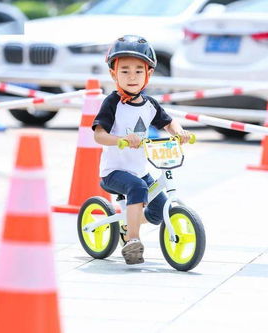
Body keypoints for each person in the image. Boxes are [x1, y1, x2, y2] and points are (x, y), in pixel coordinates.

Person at [92, 35, 191, 265]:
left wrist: (179, 132)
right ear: (113, 74)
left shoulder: (150, 104)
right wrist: (122, 140)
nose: (132, 76)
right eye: (125, 71)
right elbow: (99, 135)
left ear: (149, 74)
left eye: (138, 71)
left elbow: (168, 122)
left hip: (140, 170)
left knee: (157, 212)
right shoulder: (111, 103)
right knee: (137, 187)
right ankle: (132, 240)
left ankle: (129, 220)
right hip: (114, 172)